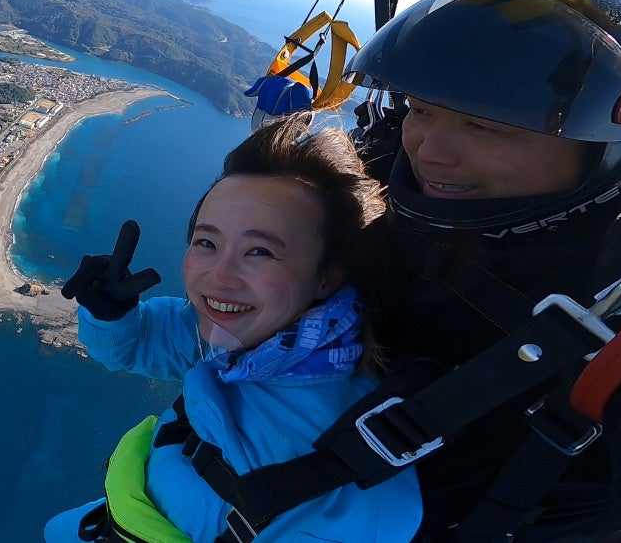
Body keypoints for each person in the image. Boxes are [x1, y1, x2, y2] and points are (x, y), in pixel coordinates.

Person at [332, 0, 621, 540]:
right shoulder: (372, 184)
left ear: (607, 149)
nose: (430, 153)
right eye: (420, 108)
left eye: (487, 128)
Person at [46, 115, 422, 543]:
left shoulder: (350, 476)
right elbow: (135, 345)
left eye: (260, 251)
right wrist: (112, 314)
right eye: (206, 243)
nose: (218, 278)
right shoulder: (248, 337)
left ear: (328, 278)